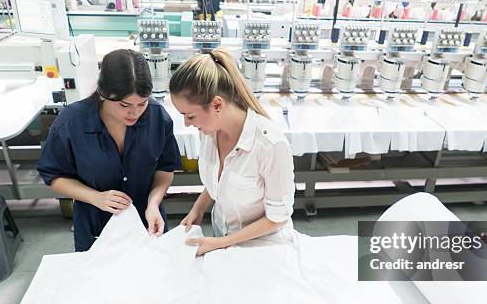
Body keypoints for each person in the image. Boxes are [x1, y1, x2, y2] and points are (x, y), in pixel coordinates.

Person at [37, 49, 181, 251]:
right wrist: (95, 197)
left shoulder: (157, 116)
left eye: (142, 103)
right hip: (96, 225)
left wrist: (154, 203)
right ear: (103, 94)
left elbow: (165, 168)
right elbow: (54, 175)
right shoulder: (72, 122)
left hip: (147, 221)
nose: (135, 113)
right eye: (124, 105)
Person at [169, 47, 295, 255]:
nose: (186, 123)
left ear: (217, 104)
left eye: (190, 116)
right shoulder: (210, 131)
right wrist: (198, 208)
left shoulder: (270, 145)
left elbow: (277, 217)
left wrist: (222, 243)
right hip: (224, 240)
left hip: (264, 247)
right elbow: (221, 178)